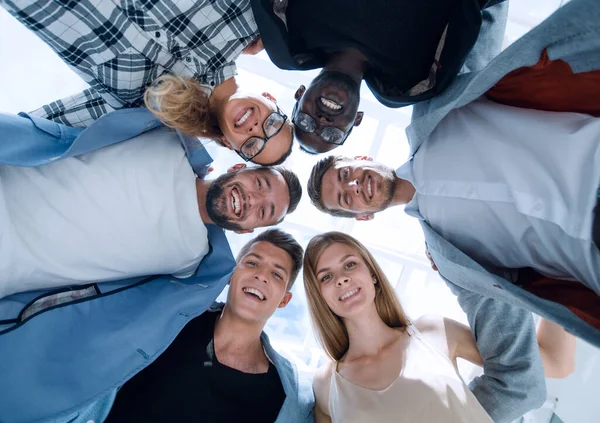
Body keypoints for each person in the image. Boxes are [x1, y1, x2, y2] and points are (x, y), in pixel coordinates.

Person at [306, 0, 600, 347]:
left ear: (361, 157)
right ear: (364, 216)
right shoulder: (449, 260)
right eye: (345, 198)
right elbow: (511, 359)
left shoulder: (434, 109)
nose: (354, 185)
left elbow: (483, 16)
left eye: (345, 175)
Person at [0, 229, 315, 423]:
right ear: (232, 274)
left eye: (276, 274)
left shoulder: (286, 394)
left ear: (284, 300)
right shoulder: (171, 319)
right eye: (253, 262)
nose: (261, 275)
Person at [0, 111, 301, 299]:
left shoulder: (190, 263)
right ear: (238, 168)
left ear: (245, 231)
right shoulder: (167, 137)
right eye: (259, 185)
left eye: (263, 212)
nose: (253, 200)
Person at [303, 232, 575, 423]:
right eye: (326, 277)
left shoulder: (432, 331)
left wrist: (557, 271)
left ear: (373, 275)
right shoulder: (326, 384)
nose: (342, 279)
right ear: (320, 297)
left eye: (350, 264)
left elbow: (544, 366)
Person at [1, 0, 294, 165]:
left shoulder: (147, 114)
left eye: (254, 145)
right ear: (271, 98)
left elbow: (43, 134)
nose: (257, 130)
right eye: (272, 125)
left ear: (231, 147)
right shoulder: (246, 17)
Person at [251, 0, 508, 153]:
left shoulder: (291, 40)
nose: (321, 121)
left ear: (299, 94)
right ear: (357, 120)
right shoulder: (409, 82)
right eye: (331, 135)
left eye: (306, 123)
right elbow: (468, 18)